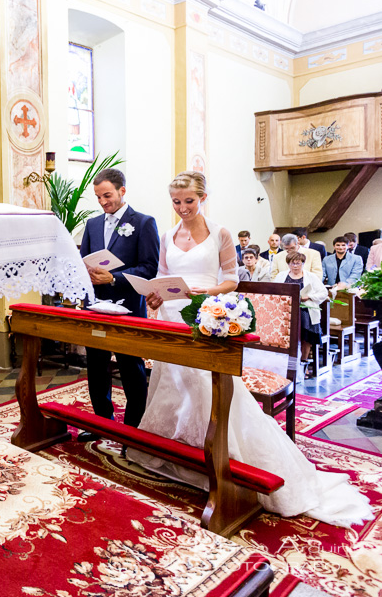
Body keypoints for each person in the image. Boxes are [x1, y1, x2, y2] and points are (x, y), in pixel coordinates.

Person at [128, 171, 371, 527]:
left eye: (189, 201)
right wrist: (155, 292)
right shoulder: (167, 235)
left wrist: (204, 296)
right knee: (172, 385)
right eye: (176, 202)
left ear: (203, 197)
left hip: (206, 315)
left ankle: (221, 456)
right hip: (171, 314)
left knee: (206, 388)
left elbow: (232, 278)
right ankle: (177, 451)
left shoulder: (220, 233)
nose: (182, 209)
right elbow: (164, 275)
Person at [78, 168, 159, 431]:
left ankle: (134, 428)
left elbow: (149, 268)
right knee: (96, 368)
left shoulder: (144, 223)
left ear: (122, 191)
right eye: (98, 197)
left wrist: (113, 278)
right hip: (96, 306)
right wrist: (86, 275)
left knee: (131, 369)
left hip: (129, 309)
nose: (102, 202)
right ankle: (101, 422)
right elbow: (86, 262)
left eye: (107, 195)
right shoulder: (92, 224)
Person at [275, 251, 327, 363]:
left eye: (298, 263)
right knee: (286, 338)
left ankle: (303, 362)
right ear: (288, 264)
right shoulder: (281, 275)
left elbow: (323, 293)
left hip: (305, 311)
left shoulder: (311, 276)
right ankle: (288, 363)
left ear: (303, 263)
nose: (295, 266)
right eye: (292, 263)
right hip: (286, 310)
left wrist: (309, 296)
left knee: (305, 338)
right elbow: (275, 290)